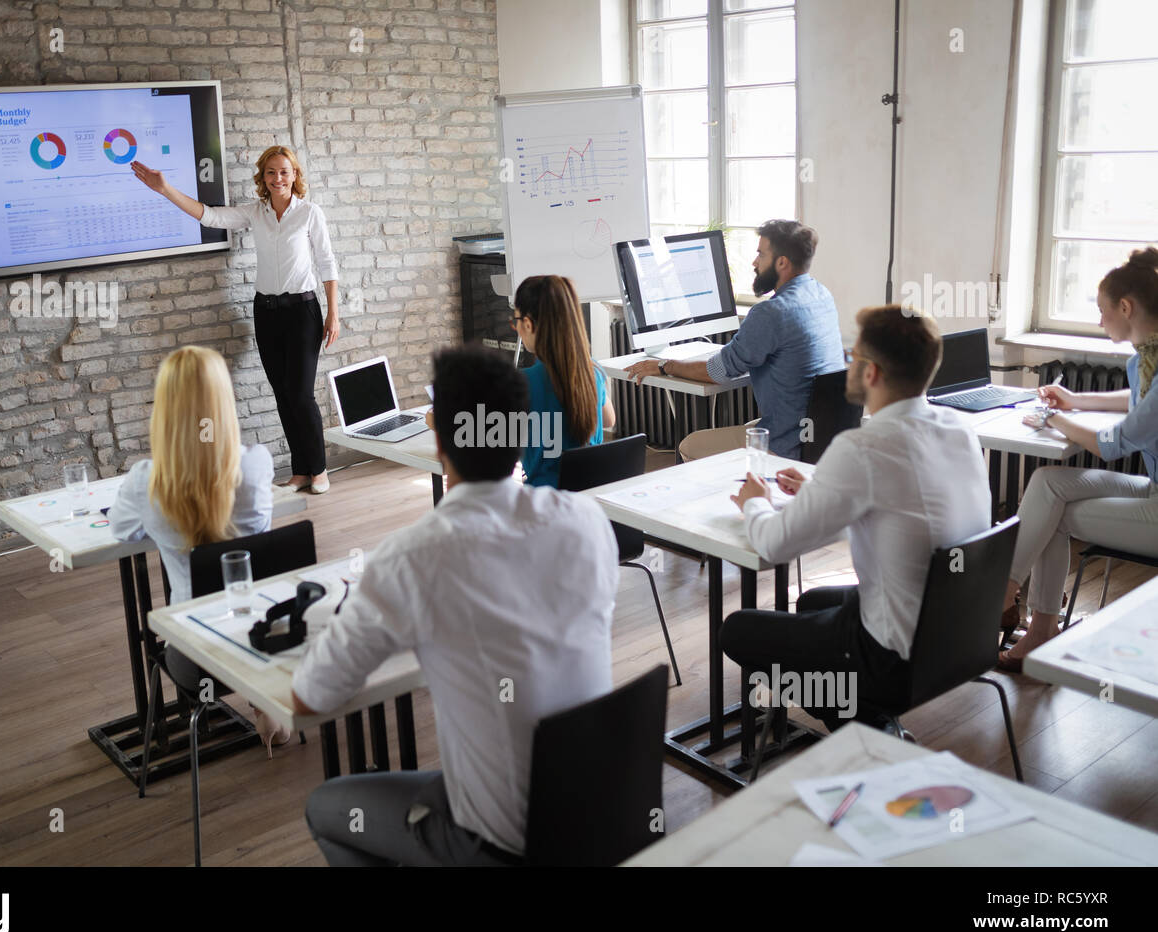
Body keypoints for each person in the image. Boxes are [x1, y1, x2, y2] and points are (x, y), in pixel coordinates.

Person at [296, 345, 620, 865]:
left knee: (326, 808)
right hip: (601, 812)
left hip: (504, 842)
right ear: (522, 430)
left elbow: (312, 697)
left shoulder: (413, 558)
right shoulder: (585, 520)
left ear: (440, 441)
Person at [721, 306, 990, 730]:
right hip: (959, 636)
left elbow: (773, 545)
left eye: (853, 355)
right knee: (811, 603)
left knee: (737, 630)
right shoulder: (959, 430)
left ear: (872, 373)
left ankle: (870, 735)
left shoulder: (864, 446)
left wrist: (754, 501)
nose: (847, 361)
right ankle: (868, 725)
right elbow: (903, 514)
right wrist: (820, 494)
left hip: (894, 660)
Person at [107, 346, 286, 754]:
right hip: (268, 642)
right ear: (224, 401)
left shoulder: (146, 482)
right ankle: (263, 698)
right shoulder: (257, 466)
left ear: (165, 409)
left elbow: (121, 530)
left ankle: (253, 702)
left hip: (198, 659)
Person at [132, 145, 339, 494]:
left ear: (295, 176)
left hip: (303, 312)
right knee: (283, 394)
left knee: (301, 395)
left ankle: (319, 470)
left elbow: (328, 263)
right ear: (263, 177)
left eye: (284, 172)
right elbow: (209, 216)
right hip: (266, 313)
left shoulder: (309, 213)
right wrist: (164, 189)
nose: (278, 178)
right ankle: (301, 471)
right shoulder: (255, 213)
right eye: (271, 172)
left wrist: (333, 313)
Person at [998, 248, 1158, 673]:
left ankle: (1030, 622)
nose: (1100, 320)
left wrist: (1056, 418)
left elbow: (1115, 442)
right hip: (1152, 489)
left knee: (1053, 512)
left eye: (1103, 310)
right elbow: (1138, 401)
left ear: (1127, 307)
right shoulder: (1146, 357)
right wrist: (1075, 400)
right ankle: (1012, 595)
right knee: (1049, 483)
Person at [628, 219, 844, 461]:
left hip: (786, 444)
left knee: (690, 444)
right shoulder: (821, 295)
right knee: (752, 423)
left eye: (761, 254)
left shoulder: (771, 313)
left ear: (782, 262)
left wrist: (663, 366)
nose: (754, 262)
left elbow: (715, 372)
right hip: (820, 435)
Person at [511, 275, 616, 487]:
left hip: (543, 505)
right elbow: (608, 421)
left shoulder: (523, 383)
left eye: (517, 320)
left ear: (528, 325)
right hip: (589, 500)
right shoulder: (593, 370)